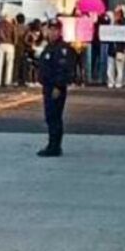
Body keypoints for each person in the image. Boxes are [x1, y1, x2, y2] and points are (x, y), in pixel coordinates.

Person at [36, 20, 77, 157]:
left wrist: (58, 86)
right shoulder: (49, 47)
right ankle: (52, 144)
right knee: (50, 117)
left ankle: (55, 146)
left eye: (55, 30)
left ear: (60, 31)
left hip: (55, 88)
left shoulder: (63, 49)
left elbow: (64, 69)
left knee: (54, 117)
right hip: (47, 87)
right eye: (50, 29)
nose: (52, 32)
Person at [0, 14, 16, 87]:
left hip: (0, 44)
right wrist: (13, 44)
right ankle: (8, 81)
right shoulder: (12, 26)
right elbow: (15, 37)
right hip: (10, 45)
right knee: (9, 64)